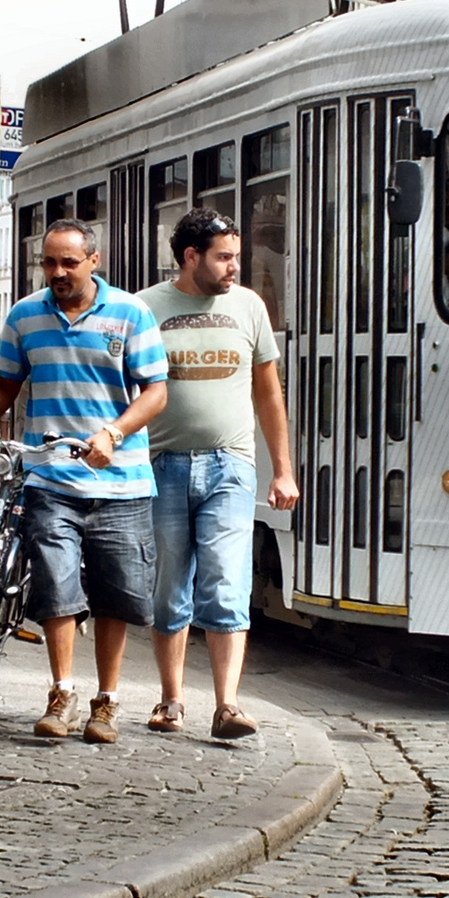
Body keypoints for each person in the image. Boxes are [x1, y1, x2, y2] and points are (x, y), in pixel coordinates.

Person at [0, 219, 168, 744]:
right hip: (50, 478)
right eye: (49, 263)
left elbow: (156, 393)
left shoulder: (131, 313)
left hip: (121, 481)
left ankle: (106, 702)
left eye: (69, 263)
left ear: (94, 260)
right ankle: (61, 692)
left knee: (117, 594)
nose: (58, 273)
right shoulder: (25, 315)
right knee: (56, 587)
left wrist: (113, 433)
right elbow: (5, 387)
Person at [136, 209, 299, 740]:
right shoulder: (145, 308)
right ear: (190, 257)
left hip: (231, 464)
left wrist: (283, 470)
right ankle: (170, 700)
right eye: (224, 257)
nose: (234, 267)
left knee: (227, 582)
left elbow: (268, 393)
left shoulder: (248, 306)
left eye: (236, 257)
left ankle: (228, 705)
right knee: (168, 589)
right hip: (161, 466)